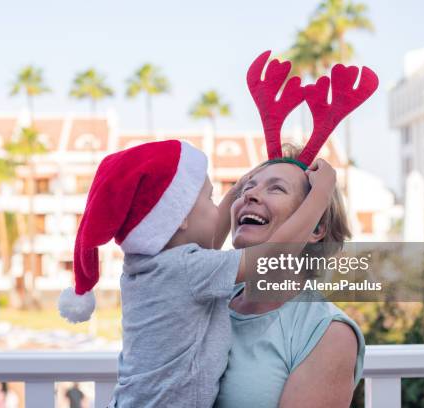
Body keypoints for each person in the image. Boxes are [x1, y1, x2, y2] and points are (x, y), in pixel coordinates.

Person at [58, 139, 335, 408]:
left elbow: (209, 242)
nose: (221, 208)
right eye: (209, 198)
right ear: (180, 217)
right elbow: (273, 254)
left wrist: (241, 189)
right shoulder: (188, 270)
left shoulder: (153, 267)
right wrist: (321, 194)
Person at [215, 144, 364, 408]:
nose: (250, 195)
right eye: (247, 187)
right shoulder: (208, 300)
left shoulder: (328, 333)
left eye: (276, 188)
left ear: (315, 228)